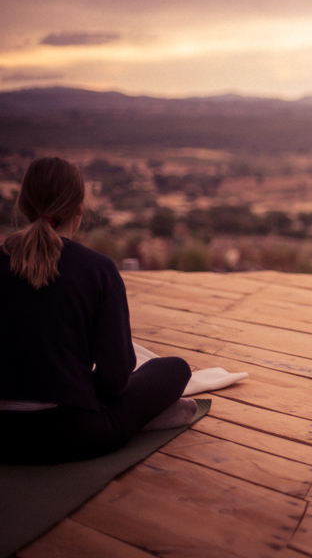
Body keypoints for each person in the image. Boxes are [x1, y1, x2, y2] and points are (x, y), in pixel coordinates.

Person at [0, 157, 191, 464]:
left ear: (22, 204)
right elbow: (115, 376)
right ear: (79, 208)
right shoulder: (97, 269)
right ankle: (143, 421)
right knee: (173, 369)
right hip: (72, 434)